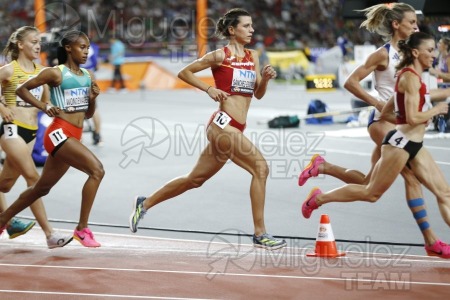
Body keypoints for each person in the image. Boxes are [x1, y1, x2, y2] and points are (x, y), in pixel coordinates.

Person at [298, 3, 450, 257]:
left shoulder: (413, 54)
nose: (416, 26)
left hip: (405, 124)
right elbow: (350, 82)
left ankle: (322, 168)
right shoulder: (384, 54)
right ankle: (431, 240)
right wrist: (379, 103)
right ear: (396, 24)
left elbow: (429, 83)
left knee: (369, 184)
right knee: (409, 179)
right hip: (384, 123)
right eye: (412, 22)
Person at [129, 8, 286, 250]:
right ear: (232, 30)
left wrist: (264, 79)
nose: (252, 30)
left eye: (252, 25)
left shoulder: (252, 56)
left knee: (195, 179)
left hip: (236, 128)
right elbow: (185, 72)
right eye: (246, 26)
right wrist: (209, 89)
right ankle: (260, 233)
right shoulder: (218, 56)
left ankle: (145, 203)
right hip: (221, 126)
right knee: (260, 168)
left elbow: (257, 94)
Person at [0, 30, 105, 248]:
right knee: (97, 170)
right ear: (68, 48)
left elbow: (87, 115)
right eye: (81, 47)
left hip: (73, 134)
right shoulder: (55, 73)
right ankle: (82, 229)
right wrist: (44, 106)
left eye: (87, 48)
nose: (86, 52)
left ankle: (2, 220)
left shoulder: (87, 76)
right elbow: (22, 89)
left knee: (40, 188)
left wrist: (92, 99)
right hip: (58, 133)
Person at [0, 26, 72, 248]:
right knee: (33, 177)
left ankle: (7, 222)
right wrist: (2, 106)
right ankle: (49, 234)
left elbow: (48, 104)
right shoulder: (8, 70)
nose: (38, 45)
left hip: (30, 132)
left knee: (5, 185)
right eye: (32, 41)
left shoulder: (43, 72)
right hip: (11, 130)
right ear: (20, 45)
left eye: (39, 41)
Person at [81, 39, 102, 145]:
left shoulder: (76, 45)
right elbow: (96, 64)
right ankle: (98, 135)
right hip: (90, 78)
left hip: (78, 78)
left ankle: (78, 139)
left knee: (77, 109)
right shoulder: (93, 47)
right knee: (94, 108)